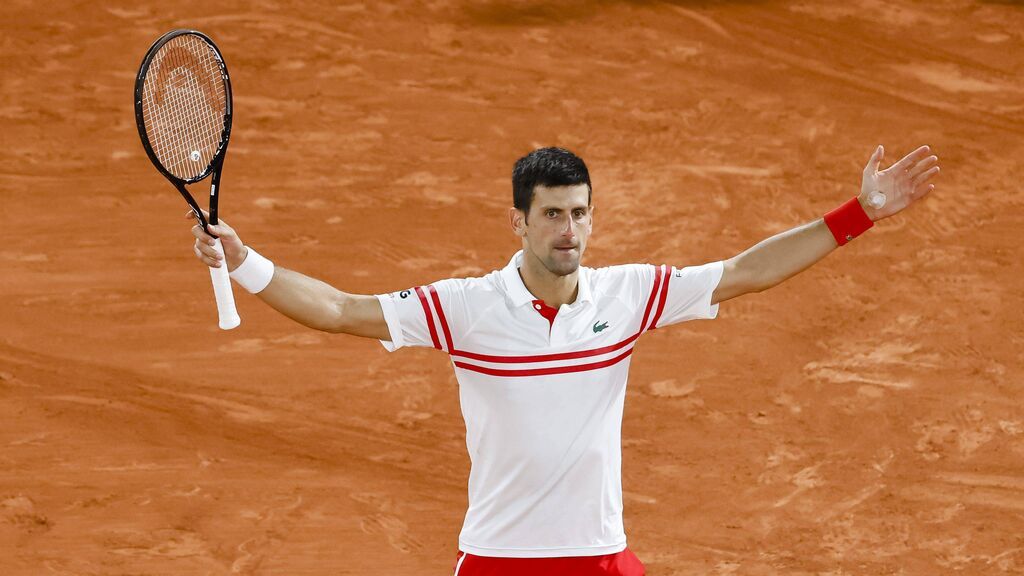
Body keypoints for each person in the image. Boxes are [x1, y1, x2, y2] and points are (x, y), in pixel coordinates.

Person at [188, 145, 939, 576]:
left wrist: (858, 215)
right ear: (518, 221)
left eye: (579, 213)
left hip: (601, 559)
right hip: (498, 560)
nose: (569, 230)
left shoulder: (628, 295)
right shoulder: (466, 309)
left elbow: (743, 272)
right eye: (552, 214)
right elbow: (341, 309)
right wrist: (247, 260)